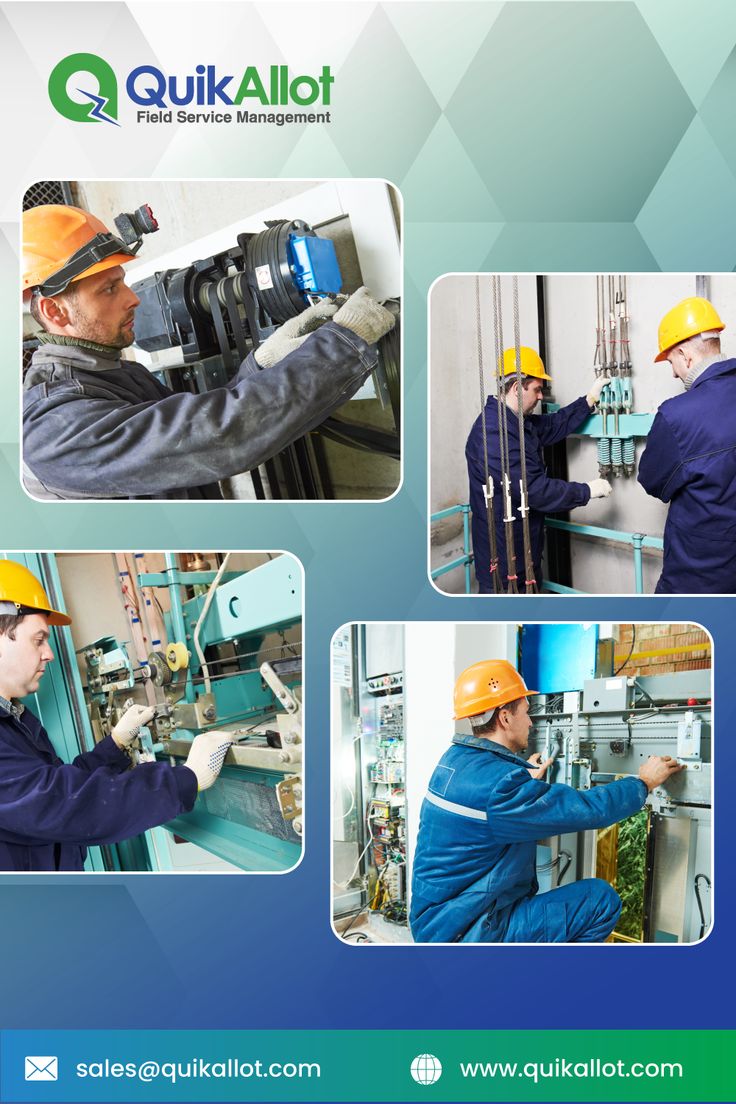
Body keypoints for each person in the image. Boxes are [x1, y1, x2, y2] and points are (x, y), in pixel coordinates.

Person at [22, 204, 395, 500]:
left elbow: (194, 421)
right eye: (108, 289)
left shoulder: (110, 372)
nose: (133, 298)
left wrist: (263, 362)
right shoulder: (52, 431)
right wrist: (343, 342)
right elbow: (218, 436)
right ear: (54, 311)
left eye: (122, 283)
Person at [410, 659, 684, 943]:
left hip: (436, 922)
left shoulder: (453, 760)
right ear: (505, 718)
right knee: (600, 900)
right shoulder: (502, 787)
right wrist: (643, 783)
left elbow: (490, 806)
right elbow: (590, 810)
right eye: (527, 713)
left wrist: (524, 778)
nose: (530, 722)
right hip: (471, 931)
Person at [0, 560, 232, 871]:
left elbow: (52, 786)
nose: (49, 654)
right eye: (38, 639)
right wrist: (185, 779)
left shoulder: (15, 719)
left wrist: (115, 744)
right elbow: (64, 804)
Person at [465, 347, 611, 592]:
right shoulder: (493, 434)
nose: (541, 397)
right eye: (536, 389)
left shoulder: (517, 423)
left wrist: (589, 400)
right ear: (515, 389)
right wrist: (586, 491)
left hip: (525, 551)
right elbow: (533, 490)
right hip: (504, 564)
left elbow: (553, 425)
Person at [638, 296, 736, 593]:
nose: (673, 373)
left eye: (671, 361)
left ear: (685, 355)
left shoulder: (676, 415)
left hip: (700, 575)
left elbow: (651, 481)